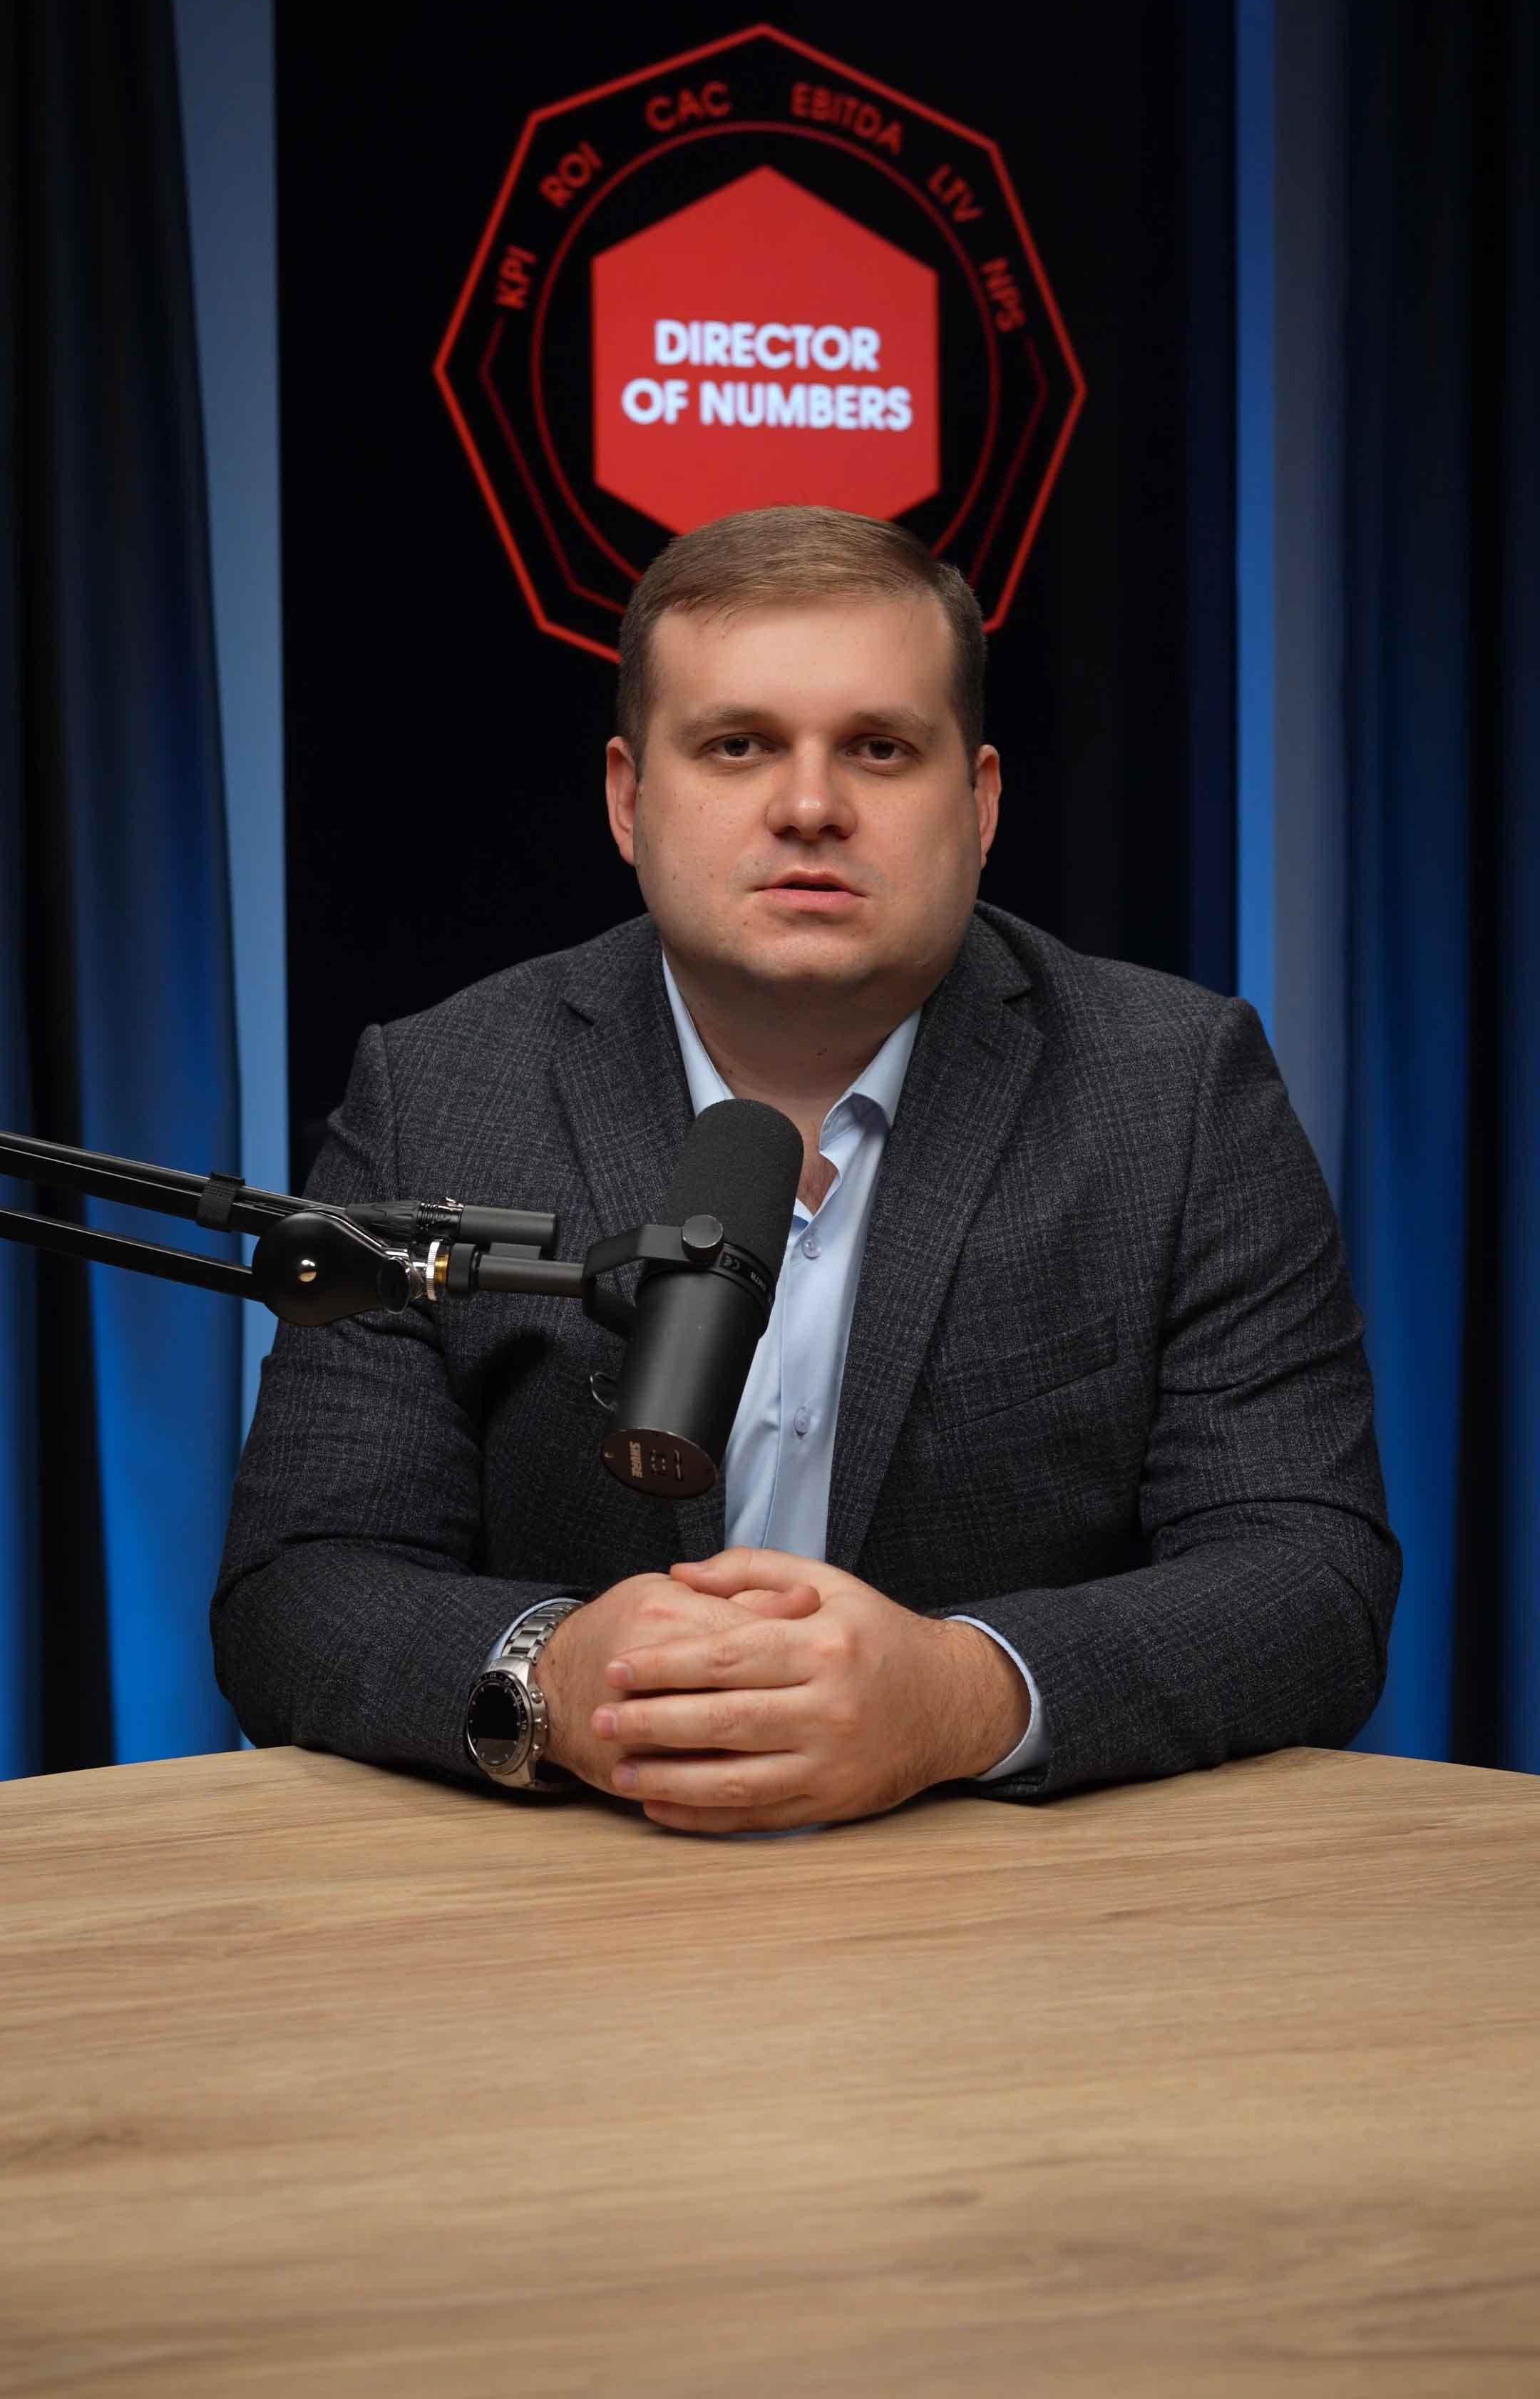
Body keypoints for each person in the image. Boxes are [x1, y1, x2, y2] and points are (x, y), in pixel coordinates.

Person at [213, 504, 1399, 1829]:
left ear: (981, 802)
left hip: (1018, 1899)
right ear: (628, 798)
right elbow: (297, 1588)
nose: (811, 808)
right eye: (739, 746)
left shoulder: (1177, 1090)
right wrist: (550, 1673)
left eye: (880, 749)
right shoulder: (438, 1089)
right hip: (562, 1892)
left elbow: (1310, 1575)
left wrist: (959, 1695)